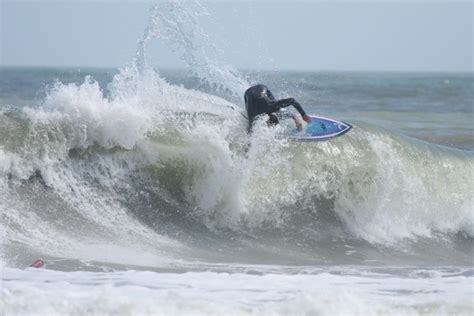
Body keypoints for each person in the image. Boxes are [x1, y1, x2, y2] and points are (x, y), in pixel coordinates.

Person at [244, 84, 311, 132]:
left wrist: (304, 115)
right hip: (247, 94)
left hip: (262, 89)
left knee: (251, 124)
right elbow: (292, 101)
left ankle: (294, 116)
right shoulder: (270, 107)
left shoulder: (271, 106)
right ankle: (293, 116)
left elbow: (292, 100)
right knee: (251, 122)